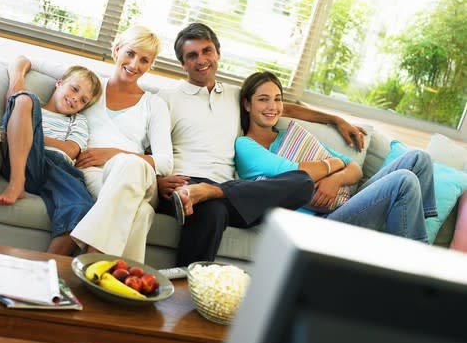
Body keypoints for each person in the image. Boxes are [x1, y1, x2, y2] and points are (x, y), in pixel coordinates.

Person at [156, 22, 367, 266]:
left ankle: (212, 191)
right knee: (212, 211)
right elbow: (148, 150)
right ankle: (184, 291)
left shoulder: (234, 95)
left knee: (302, 182)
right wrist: (159, 181)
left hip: (229, 191)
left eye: (207, 51)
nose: (201, 59)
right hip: (184, 185)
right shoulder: (167, 98)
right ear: (183, 63)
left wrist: (335, 119)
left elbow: (282, 108)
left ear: (218, 53)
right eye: (192, 55)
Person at [235, 71, 438, 243]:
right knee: (404, 181)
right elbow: (297, 174)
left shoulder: (290, 134)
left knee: (419, 158)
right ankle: (417, 261)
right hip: (321, 223)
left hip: (344, 203)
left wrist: (335, 179)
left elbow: (354, 169)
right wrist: (336, 163)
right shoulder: (246, 145)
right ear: (247, 104)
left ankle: (414, 237)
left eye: (277, 98)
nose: (272, 106)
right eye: (263, 99)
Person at [64, 25, 174, 263]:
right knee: (141, 213)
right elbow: (52, 71)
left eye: (144, 60)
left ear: (150, 65)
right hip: (93, 174)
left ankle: (91, 257)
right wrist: (20, 67)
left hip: (139, 176)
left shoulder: (154, 105)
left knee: (129, 164)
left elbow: (164, 163)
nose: (135, 64)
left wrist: (112, 154)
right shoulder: (90, 88)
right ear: (116, 49)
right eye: (130, 53)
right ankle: (117, 286)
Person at [0, 56, 102, 255]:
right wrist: (19, 71)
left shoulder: (77, 121)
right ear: (59, 83)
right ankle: (17, 183)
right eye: (74, 89)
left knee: (83, 208)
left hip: (59, 169)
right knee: (25, 98)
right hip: (23, 160)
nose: (76, 98)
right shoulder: (27, 107)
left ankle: (47, 271)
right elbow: (19, 63)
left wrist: (28, 134)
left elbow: (70, 150)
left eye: (83, 100)